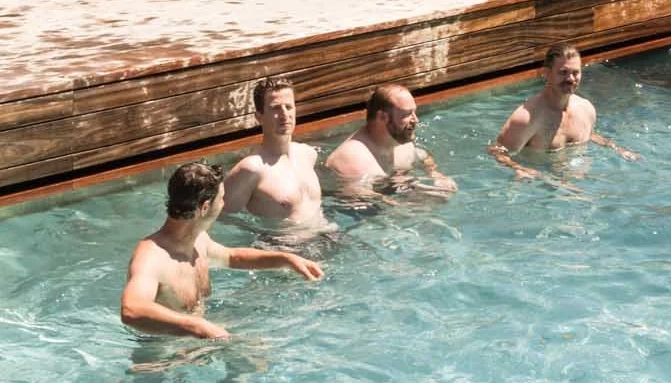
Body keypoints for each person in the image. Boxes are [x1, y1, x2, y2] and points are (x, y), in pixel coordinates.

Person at [118, 161, 324, 341]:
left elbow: (231, 257)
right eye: (222, 199)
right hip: (162, 354)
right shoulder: (152, 257)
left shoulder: (199, 240)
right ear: (205, 207)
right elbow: (132, 309)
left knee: (258, 352)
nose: (224, 205)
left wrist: (285, 259)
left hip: (200, 339)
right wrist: (197, 327)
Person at [488, 43, 638, 177]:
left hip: (575, 178)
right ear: (547, 74)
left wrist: (616, 148)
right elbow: (496, 151)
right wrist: (518, 168)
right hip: (540, 181)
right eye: (563, 72)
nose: (571, 79)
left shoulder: (586, 109)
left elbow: (590, 135)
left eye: (575, 72)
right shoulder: (527, 118)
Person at [219, 78, 324, 225]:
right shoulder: (251, 169)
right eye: (275, 108)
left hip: (325, 234)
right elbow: (219, 218)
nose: (284, 114)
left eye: (289, 107)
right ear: (259, 117)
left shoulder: (308, 154)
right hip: (281, 239)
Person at [324, 84, 447, 184]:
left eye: (414, 112)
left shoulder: (399, 141)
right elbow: (363, 201)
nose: (416, 120)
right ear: (382, 117)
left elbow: (423, 156)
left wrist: (435, 174)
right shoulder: (353, 158)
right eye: (407, 114)